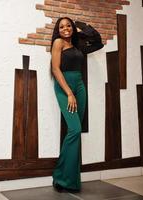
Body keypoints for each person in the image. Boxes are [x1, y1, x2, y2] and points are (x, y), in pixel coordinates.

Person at [50, 17, 103, 192]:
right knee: (75, 130)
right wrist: (69, 93)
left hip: (79, 86)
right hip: (65, 87)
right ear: (58, 30)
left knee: (74, 132)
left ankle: (63, 176)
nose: (65, 29)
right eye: (62, 27)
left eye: (68, 26)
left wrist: (80, 24)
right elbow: (56, 69)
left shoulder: (77, 44)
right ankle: (62, 177)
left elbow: (98, 41)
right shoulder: (58, 43)